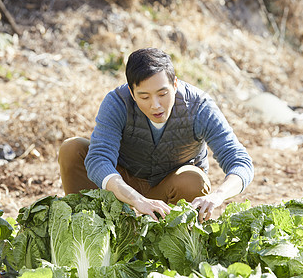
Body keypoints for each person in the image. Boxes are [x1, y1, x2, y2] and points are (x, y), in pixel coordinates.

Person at [58, 47, 253, 222]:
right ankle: (85, 226)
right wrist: (136, 199)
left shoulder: (200, 107)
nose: (155, 105)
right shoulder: (117, 103)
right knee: (72, 149)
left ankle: (175, 235)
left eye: (162, 94)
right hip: (123, 185)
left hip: (172, 189)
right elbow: (99, 159)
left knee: (194, 179)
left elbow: (240, 161)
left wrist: (217, 196)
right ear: (132, 93)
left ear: (175, 84)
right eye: (144, 97)